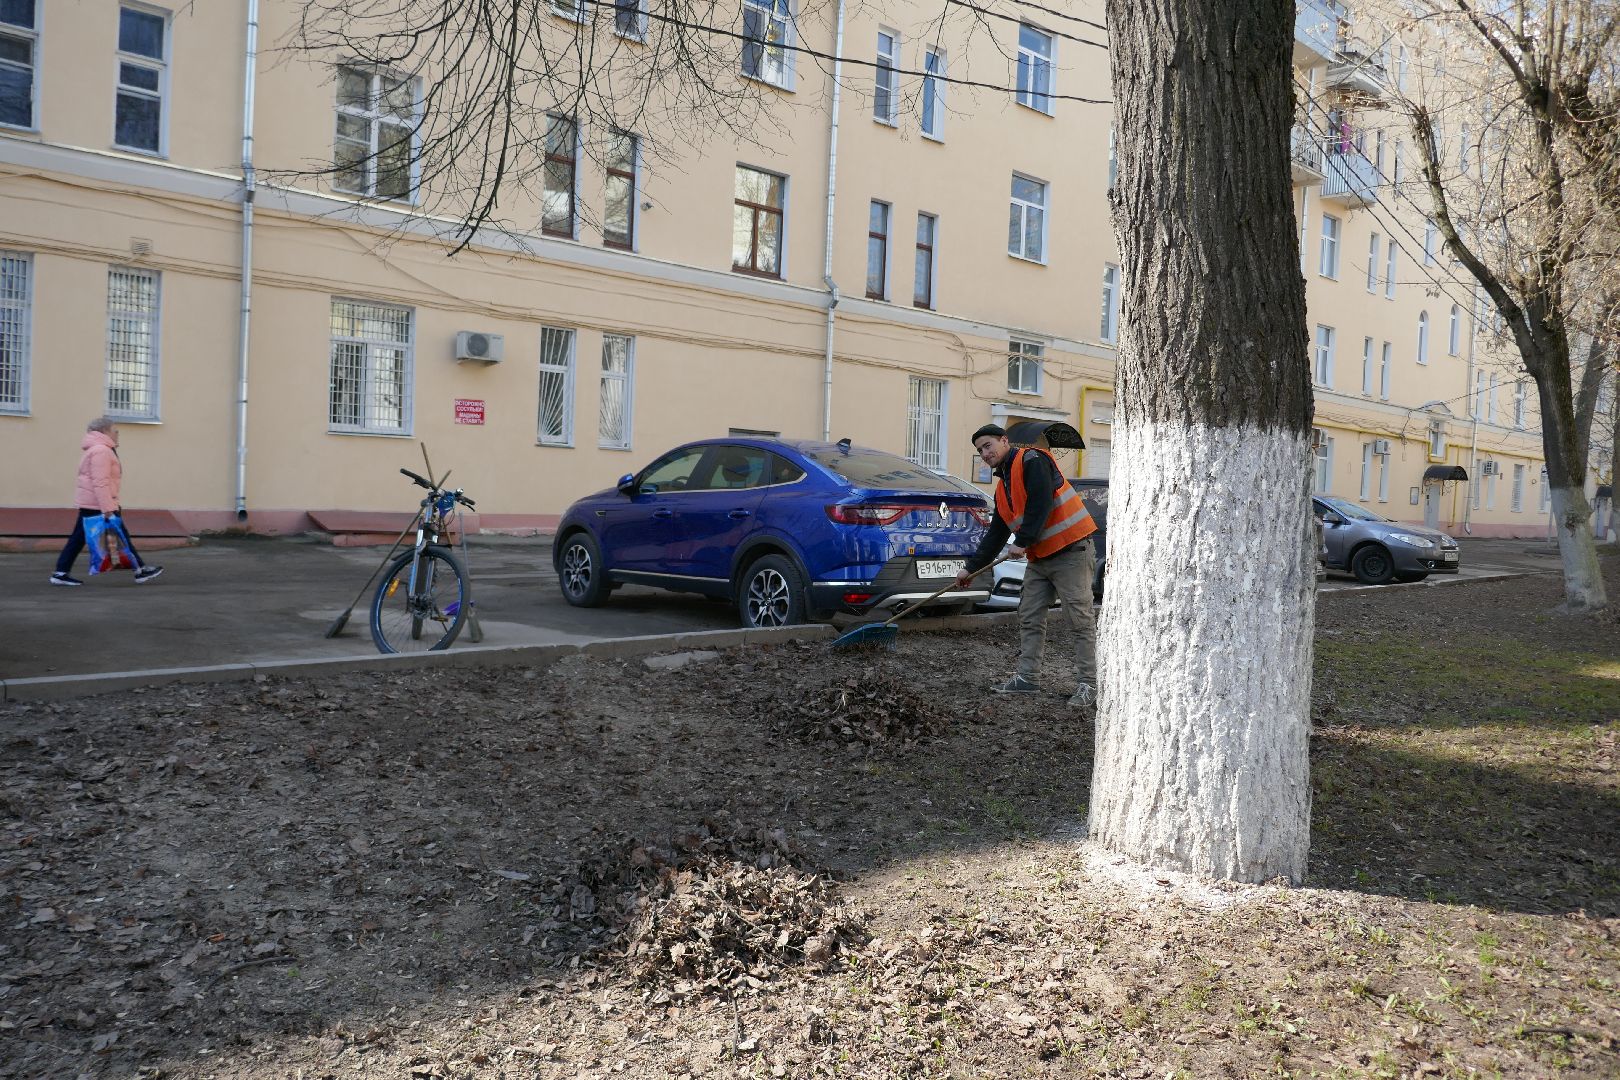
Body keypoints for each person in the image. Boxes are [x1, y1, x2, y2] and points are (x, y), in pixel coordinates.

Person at [956, 424, 1098, 707]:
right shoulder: (1002, 487)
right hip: (1040, 558)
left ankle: (1089, 685)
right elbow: (996, 533)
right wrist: (970, 569)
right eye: (980, 450)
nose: (985, 453)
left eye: (988, 446)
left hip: (1072, 551)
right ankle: (1027, 679)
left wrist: (1023, 540)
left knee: (1078, 619)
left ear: (1005, 441)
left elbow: (1041, 503)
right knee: (1029, 617)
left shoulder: (1033, 460)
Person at [50, 417, 164, 586]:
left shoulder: (98, 449)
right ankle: (140, 570)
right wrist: (108, 508)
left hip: (94, 503)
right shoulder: (101, 451)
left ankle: (61, 572)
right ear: (104, 432)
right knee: (119, 535)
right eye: (115, 430)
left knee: (80, 538)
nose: (118, 433)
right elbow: (100, 481)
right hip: (99, 504)